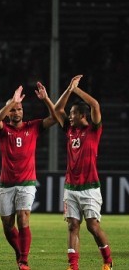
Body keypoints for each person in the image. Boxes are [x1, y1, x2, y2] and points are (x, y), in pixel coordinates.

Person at [0, 83, 57, 270]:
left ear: (23, 111)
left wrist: (46, 100)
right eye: (12, 110)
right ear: (8, 113)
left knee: (23, 217)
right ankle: (20, 253)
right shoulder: (3, 130)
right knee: (7, 225)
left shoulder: (33, 127)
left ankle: (24, 261)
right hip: (6, 184)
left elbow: (55, 117)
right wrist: (11, 102)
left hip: (27, 183)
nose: (16, 113)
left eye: (18, 109)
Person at [53, 75, 113, 270]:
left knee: (93, 227)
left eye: (73, 113)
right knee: (72, 226)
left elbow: (95, 105)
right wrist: (69, 90)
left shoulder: (94, 130)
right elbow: (57, 110)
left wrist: (76, 89)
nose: (69, 116)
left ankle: (107, 261)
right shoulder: (70, 130)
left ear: (82, 115)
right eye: (70, 114)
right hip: (70, 186)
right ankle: (73, 266)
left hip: (90, 187)